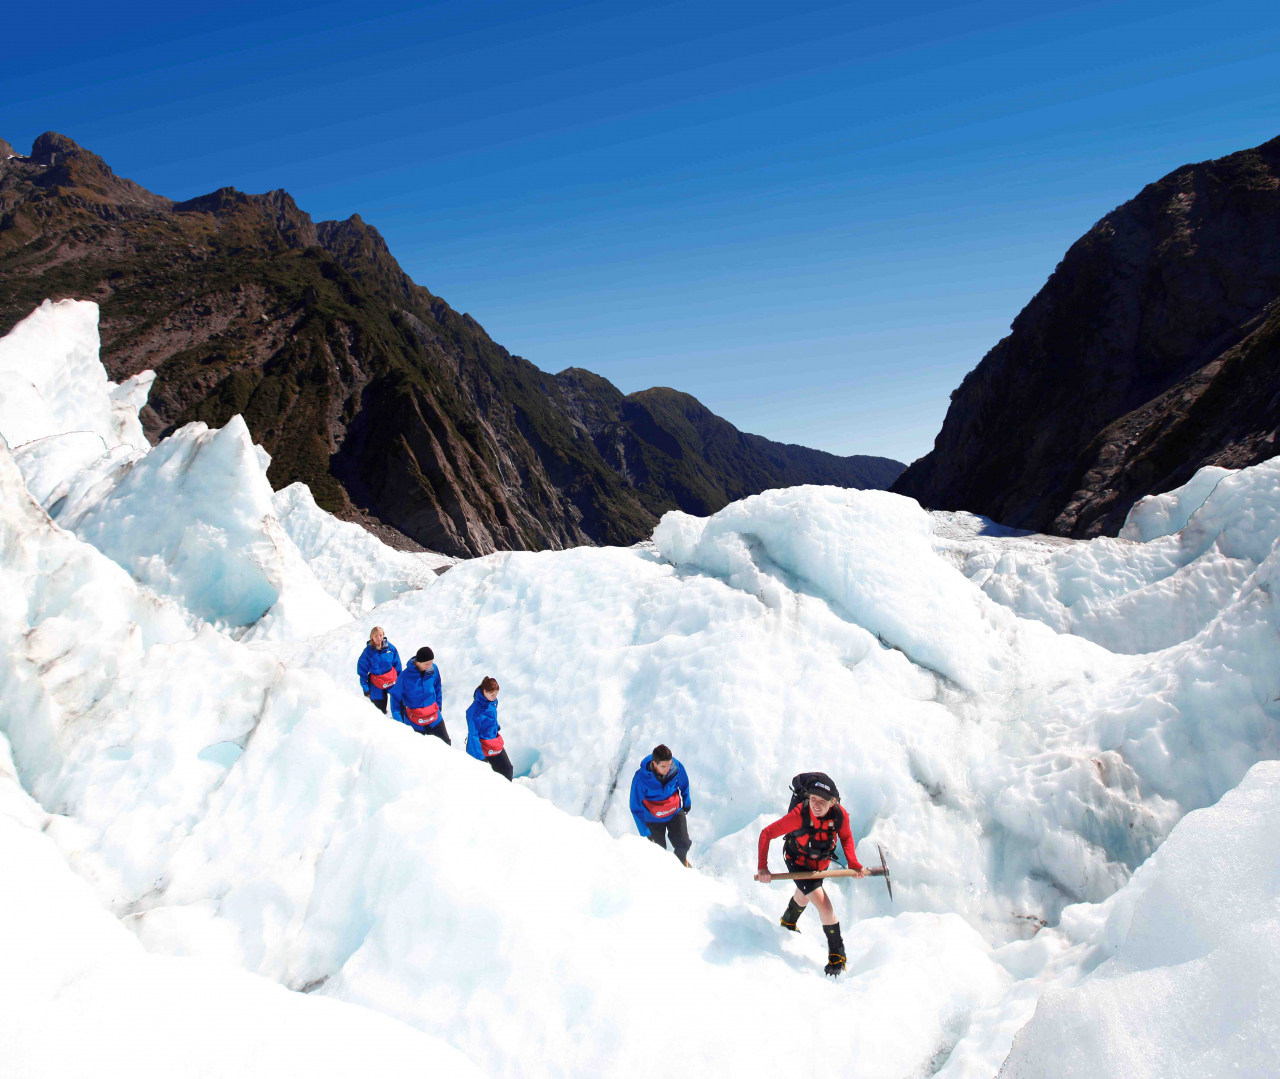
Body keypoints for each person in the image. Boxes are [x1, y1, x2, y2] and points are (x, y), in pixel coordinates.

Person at [756, 773, 866, 978]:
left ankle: (788, 922)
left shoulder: (840, 815)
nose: (816, 805)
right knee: (824, 905)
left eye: (822, 801)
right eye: (813, 799)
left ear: (833, 802)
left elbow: (847, 837)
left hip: (819, 864)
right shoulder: (800, 814)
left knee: (804, 894)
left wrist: (854, 864)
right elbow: (766, 834)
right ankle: (836, 954)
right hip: (797, 862)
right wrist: (763, 867)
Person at [629, 744, 693, 867]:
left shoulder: (676, 767)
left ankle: (681, 864)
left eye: (669, 765)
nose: (668, 769)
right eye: (663, 766)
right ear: (654, 763)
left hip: (674, 812)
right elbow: (635, 806)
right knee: (658, 853)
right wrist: (646, 833)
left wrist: (687, 802)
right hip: (653, 819)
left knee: (684, 843)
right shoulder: (640, 778)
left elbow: (684, 784)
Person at [387, 646, 449, 744]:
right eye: (426, 664)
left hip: (434, 716)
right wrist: (399, 722)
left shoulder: (434, 670)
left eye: (431, 663)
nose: (429, 666)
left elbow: (437, 687)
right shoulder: (405, 676)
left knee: (446, 744)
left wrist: (438, 706)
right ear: (418, 662)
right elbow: (395, 698)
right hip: (414, 720)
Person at [465, 676, 513, 781]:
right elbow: (473, 735)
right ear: (484, 691)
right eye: (492, 695)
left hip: (493, 742)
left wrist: (495, 726)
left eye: (496, 694)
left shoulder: (492, 702)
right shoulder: (474, 712)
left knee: (507, 769)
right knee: (486, 778)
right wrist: (480, 758)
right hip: (482, 747)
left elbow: (491, 717)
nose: (495, 697)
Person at [356, 626, 401, 713]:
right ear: (371, 637)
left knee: (399, 703)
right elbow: (362, 672)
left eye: (380, 635)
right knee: (379, 711)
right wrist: (366, 689)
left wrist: (400, 681)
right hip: (376, 684)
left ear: (383, 635)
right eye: (376, 636)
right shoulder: (367, 653)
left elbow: (397, 665)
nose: (378, 638)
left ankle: (400, 724)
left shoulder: (390, 649)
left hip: (391, 680)